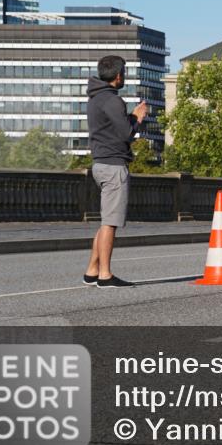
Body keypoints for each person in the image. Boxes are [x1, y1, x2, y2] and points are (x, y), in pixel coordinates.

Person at [83, 55, 147, 288]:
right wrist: (137, 118)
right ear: (118, 75)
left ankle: (92, 270)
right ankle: (105, 275)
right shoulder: (112, 100)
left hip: (99, 163)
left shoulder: (95, 98)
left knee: (105, 220)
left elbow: (113, 127)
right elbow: (126, 134)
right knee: (110, 222)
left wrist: (130, 117)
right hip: (113, 165)